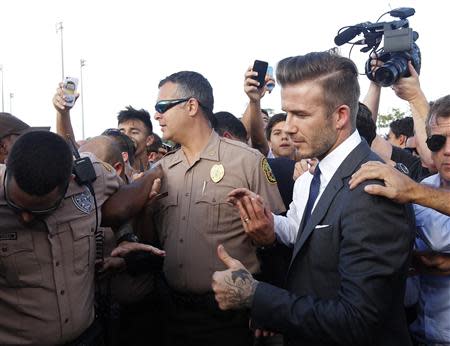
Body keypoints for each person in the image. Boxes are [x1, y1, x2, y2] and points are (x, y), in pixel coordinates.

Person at [212, 51, 415, 346]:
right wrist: (269, 223)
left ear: (341, 116)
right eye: (287, 112)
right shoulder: (314, 178)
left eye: (302, 115)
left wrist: (256, 296)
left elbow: (358, 321)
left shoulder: (372, 189)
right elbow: (307, 243)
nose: (289, 126)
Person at [152, 70, 285, 346]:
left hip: (228, 316)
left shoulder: (247, 161)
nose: (157, 116)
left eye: (162, 107)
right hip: (171, 313)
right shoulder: (162, 170)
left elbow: (277, 239)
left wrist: (267, 307)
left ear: (191, 106)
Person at [0, 130, 163, 345]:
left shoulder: (90, 180)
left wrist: (125, 236)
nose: (25, 217)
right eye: (15, 205)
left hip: (87, 337)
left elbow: (123, 200)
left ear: (70, 181)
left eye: (40, 209)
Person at [117, 106, 155, 172]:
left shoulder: (159, 172)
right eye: (121, 132)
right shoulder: (110, 173)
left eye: (134, 132)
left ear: (149, 140)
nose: (126, 136)